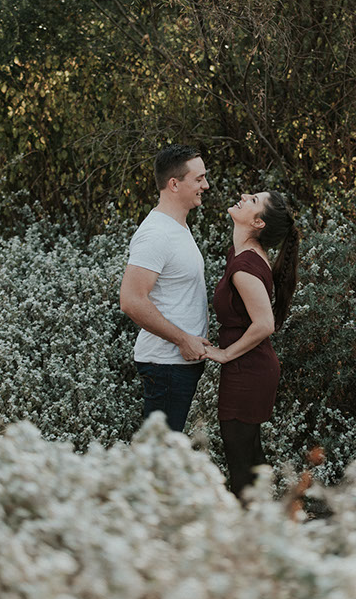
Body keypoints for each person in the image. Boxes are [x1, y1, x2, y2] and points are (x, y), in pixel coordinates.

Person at [204, 190, 299, 498]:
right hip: (249, 368)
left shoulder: (245, 265)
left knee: (242, 465)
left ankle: (251, 524)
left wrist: (225, 354)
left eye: (254, 199)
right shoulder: (243, 253)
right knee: (250, 458)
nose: (244, 195)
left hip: (248, 371)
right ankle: (268, 521)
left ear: (258, 222)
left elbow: (264, 323)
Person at [119, 144, 211, 432]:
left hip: (178, 366)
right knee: (160, 454)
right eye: (199, 179)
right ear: (174, 184)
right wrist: (183, 340)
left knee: (165, 451)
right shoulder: (156, 234)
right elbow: (131, 300)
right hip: (166, 366)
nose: (205, 186)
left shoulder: (177, 227)